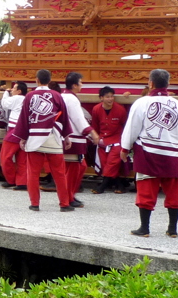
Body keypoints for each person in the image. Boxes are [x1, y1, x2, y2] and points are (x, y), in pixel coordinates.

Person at [121, 68, 178, 237]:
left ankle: (144, 228)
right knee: (173, 190)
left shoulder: (141, 103)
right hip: (171, 153)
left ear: (151, 83)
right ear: (168, 84)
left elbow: (132, 128)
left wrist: (125, 148)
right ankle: (172, 229)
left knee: (146, 188)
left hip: (147, 151)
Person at [12, 70, 73, 212]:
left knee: (33, 172)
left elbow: (24, 118)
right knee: (59, 173)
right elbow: (64, 118)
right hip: (54, 137)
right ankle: (64, 204)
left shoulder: (30, 96)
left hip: (34, 137)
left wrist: (22, 137)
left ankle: (35, 204)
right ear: (49, 80)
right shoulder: (57, 96)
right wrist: (67, 136)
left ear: (37, 80)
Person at [60, 72, 96, 208]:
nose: (82, 85)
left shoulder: (62, 96)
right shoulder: (72, 99)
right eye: (80, 82)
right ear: (74, 85)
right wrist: (91, 132)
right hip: (74, 138)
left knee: (75, 168)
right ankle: (68, 197)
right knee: (75, 169)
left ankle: (68, 195)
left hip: (65, 136)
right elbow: (78, 119)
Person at [90, 86, 130, 194]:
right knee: (103, 161)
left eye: (112, 96)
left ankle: (103, 185)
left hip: (117, 139)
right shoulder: (96, 109)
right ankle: (119, 184)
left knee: (112, 161)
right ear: (101, 98)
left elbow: (125, 126)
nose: (110, 99)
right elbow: (95, 126)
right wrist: (97, 138)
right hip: (103, 139)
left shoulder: (120, 109)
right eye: (107, 97)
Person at [0, 81, 29, 188]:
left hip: (14, 130)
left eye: (14, 88)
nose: (12, 90)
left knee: (5, 156)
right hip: (26, 130)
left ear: (19, 91)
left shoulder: (17, 98)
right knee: (22, 159)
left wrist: (6, 93)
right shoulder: (28, 99)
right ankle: (22, 182)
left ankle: (11, 179)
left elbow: (5, 104)